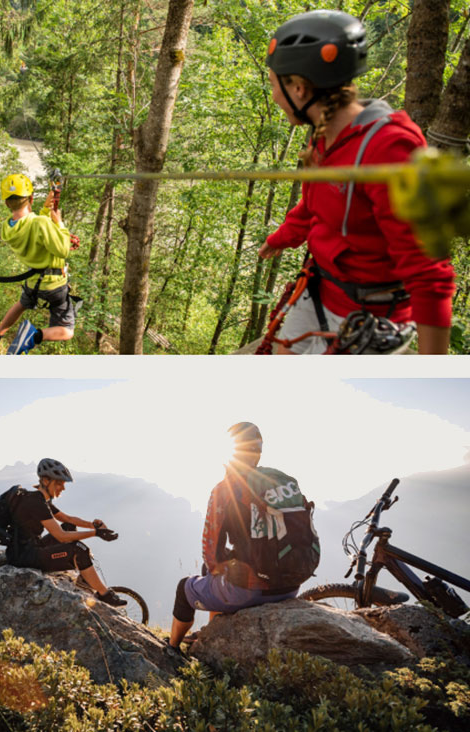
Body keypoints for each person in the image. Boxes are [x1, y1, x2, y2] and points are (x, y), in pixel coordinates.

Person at [259, 9, 455, 355]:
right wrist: (283, 236)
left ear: (300, 88)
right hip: (322, 288)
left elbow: (429, 271)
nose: (274, 95)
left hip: (371, 315)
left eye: (275, 84)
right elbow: (315, 201)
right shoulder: (323, 134)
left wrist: (434, 368)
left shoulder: (388, 150)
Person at [169, 423, 316, 649]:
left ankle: (171, 649)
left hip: (251, 590)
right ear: (257, 453)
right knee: (209, 571)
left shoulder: (225, 489)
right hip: (291, 584)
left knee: (184, 587)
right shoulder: (279, 481)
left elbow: (211, 552)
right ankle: (213, 631)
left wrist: (220, 567)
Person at [7, 458, 127, 607]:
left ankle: (84, 578)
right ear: (45, 480)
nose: (62, 487)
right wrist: (95, 534)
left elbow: (67, 518)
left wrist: (93, 526)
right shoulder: (35, 503)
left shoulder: (40, 500)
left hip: (30, 547)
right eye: (59, 483)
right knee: (79, 549)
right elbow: (60, 536)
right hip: (25, 556)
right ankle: (105, 595)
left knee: (68, 526)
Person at [0, 174, 78, 354]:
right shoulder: (40, 223)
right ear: (31, 198)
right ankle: (33, 336)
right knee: (67, 331)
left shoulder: (7, 227)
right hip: (54, 285)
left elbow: (34, 227)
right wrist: (60, 224)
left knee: (21, 305)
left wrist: (46, 209)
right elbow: (63, 250)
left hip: (33, 281)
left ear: (6, 203)